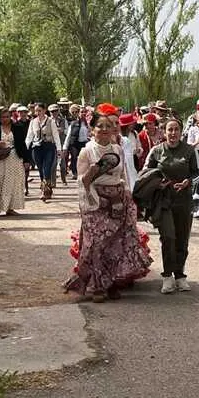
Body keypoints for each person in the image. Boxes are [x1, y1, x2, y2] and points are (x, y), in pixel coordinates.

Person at [64, 113, 152, 302]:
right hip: (95, 203)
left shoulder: (118, 150)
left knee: (115, 244)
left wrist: (127, 197)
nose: (104, 130)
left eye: (108, 126)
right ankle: (97, 286)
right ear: (92, 130)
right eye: (100, 126)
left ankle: (110, 282)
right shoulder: (86, 152)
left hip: (117, 202)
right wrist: (93, 173)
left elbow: (124, 176)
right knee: (96, 245)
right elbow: (82, 182)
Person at [143, 119, 199, 293]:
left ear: (181, 132)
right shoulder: (156, 151)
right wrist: (157, 184)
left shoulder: (189, 151)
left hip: (184, 201)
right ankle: (167, 276)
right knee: (168, 237)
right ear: (164, 132)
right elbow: (145, 173)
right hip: (163, 202)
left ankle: (180, 275)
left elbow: (197, 173)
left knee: (182, 238)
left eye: (176, 130)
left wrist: (187, 182)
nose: (173, 133)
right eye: (170, 130)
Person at [25, 102, 63, 201]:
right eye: (36, 111)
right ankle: (47, 189)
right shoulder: (33, 122)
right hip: (36, 148)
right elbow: (29, 136)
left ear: (44, 110)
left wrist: (59, 149)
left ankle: (44, 191)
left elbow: (56, 136)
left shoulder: (51, 121)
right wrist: (26, 148)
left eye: (39, 110)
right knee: (41, 170)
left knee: (47, 169)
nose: (37, 112)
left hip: (48, 147)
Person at [0, 106, 28, 216]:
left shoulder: (17, 127)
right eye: (2, 117)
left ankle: (9, 208)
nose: (5, 119)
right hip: (0, 158)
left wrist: (26, 160)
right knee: (0, 181)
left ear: (10, 117)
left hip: (14, 158)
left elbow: (22, 145)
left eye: (7, 116)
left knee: (12, 183)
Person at [64, 104, 90, 180]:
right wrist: (65, 147)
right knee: (74, 157)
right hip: (74, 144)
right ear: (79, 113)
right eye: (82, 112)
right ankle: (75, 173)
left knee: (83, 158)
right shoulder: (73, 124)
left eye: (85, 112)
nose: (83, 113)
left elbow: (90, 133)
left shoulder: (87, 124)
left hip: (84, 143)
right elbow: (68, 136)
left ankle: (82, 172)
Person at [117, 113, 142, 189]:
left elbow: (139, 145)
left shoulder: (134, 133)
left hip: (134, 159)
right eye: (132, 123)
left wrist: (139, 151)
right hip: (123, 161)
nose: (134, 124)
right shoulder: (119, 136)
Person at [48, 103, 69, 186]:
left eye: (55, 111)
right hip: (52, 145)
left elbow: (65, 131)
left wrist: (60, 130)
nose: (54, 113)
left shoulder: (63, 120)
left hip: (61, 144)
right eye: (52, 111)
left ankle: (64, 180)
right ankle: (53, 182)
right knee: (53, 165)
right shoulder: (48, 121)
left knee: (63, 165)